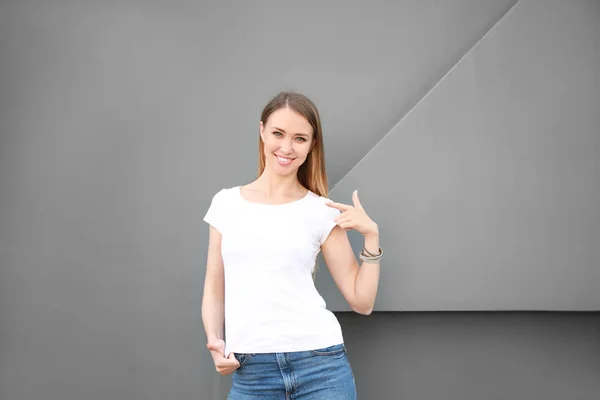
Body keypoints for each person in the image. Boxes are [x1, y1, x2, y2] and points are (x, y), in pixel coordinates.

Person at [202, 91, 382, 399]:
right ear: (262, 132)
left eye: (300, 138)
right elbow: (214, 285)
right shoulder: (226, 203)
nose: (286, 147)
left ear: (313, 145)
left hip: (321, 368)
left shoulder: (322, 211)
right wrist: (215, 340)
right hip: (251, 373)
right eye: (277, 133)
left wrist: (372, 238)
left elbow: (361, 302)